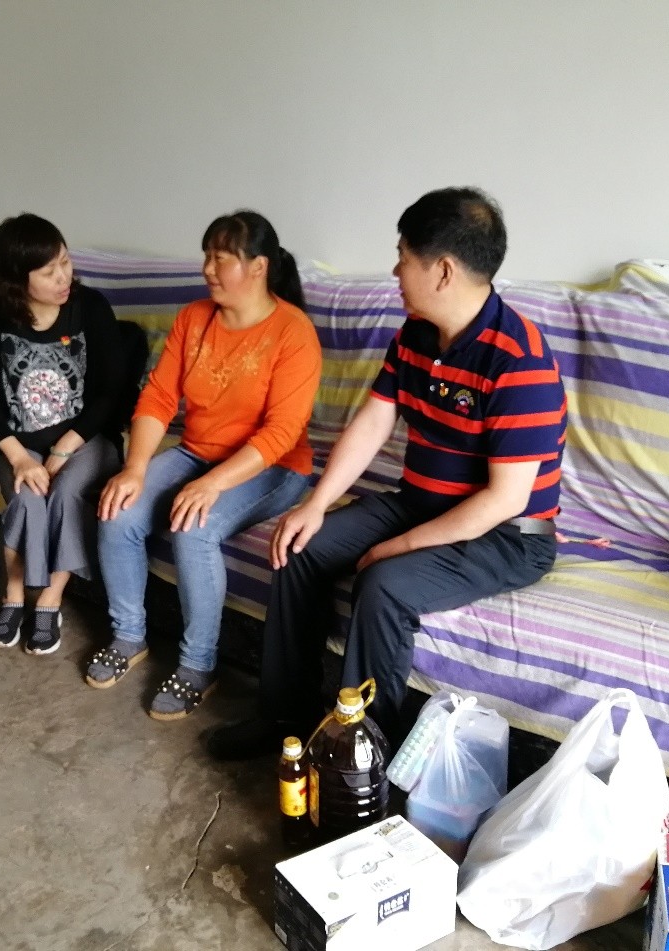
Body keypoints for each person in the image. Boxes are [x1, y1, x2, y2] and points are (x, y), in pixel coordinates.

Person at [207, 187, 568, 759]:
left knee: (384, 585)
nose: (396, 271)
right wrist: (315, 504)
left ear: (443, 270)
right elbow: (374, 421)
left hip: (507, 536)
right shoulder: (417, 333)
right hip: (420, 503)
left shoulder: (518, 359)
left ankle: (364, 756)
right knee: (300, 546)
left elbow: (504, 500)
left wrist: (396, 547)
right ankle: (285, 718)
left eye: (403, 257)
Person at [93, 210, 321, 720]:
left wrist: (212, 484)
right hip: (197, 451)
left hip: (275, 468)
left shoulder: (293, 332)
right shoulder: (193, 318)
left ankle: (199, 665)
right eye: (207, 257)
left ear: (258, 266)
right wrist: (135, 468)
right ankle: (128, 635)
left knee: (194, 528)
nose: (208, 269)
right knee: (117, 509)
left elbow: (282, 432)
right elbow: (158, 397)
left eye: (221, 259)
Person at [0, 213, 123, 656]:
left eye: (65, 262)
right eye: (48, 271)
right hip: (18, 442)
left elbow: (111, 392)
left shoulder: (90, 307)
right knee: (26, 497)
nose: (63, 277)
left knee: (67, 492)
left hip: (86, 438)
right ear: (17, 279)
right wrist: (19, 457)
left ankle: (49, 601)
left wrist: (64, 447)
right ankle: (13, 597)